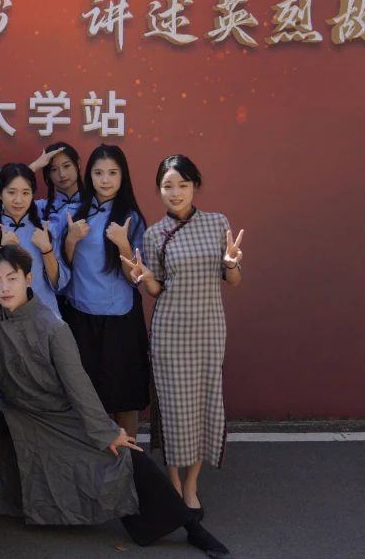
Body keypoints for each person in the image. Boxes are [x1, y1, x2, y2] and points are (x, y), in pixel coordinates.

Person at [0, 246, 230, 558]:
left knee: (124, 456)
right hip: (12, 409)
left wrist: (106, 432)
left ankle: (191, 528)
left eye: (12, 278)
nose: (4, 288)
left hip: (55, 412)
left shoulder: (52, 327)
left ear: (28, 278)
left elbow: (78, 385)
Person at [123, 155, 245, 521]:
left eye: (182, 185)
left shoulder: (217, 223)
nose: (175, 192)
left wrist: (231, 262)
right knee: (175, 410)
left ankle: (192, 485)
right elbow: (157, 290)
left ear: (195, 186)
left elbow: (233, 281)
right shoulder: (155, 233)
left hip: (208, 330)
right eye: (167, 186)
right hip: (170, 332)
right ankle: (175, 485)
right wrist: (146, 277)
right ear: (159, 190)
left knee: (205, 405)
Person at [61, 144, 150, 437]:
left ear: (123, 176)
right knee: (86, 396)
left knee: (125, 395)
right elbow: (61, 271)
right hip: (81, 316)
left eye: (113, 172)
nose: (105, 179)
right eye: (98, 173)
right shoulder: (74, 214)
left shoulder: (131, 217)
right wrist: (71, 240)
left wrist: (123, 244)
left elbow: (136, 277)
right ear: (89, 176)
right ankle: (93, 460)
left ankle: (129, 458)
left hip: (120, 318)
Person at [0, 164, 68, 315]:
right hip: (5, 317)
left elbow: (58, 283)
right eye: (11, 192)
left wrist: (46, 250)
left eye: (25, 193)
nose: (18, 200)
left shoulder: (46, 230)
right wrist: (2, 252)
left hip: (45, 314)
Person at [30, 142, 83, 221]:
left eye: (66, 166)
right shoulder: (40, 208)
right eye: (54, 169)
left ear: (78, 164)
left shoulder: (94, 204)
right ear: (48, 174)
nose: (62, 174)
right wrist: (34, 166)